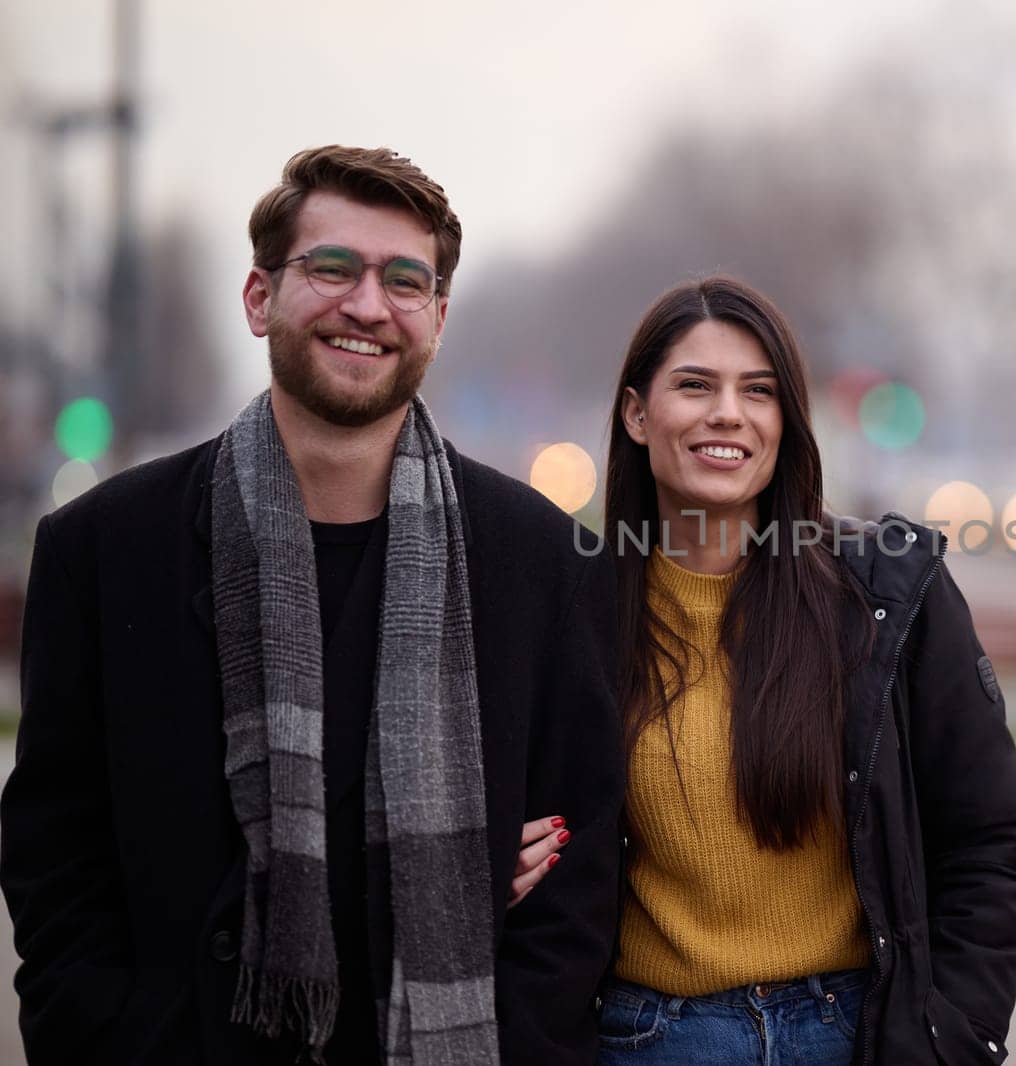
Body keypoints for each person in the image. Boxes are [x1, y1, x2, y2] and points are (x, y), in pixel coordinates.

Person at [1, 145, 622, 1066]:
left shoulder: (539, 556)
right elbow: (57, 859)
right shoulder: (102, 550)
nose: (368, 306)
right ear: (259, 298)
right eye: (332, 268)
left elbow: (584, 875)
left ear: (438, 318)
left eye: (405, 281)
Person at [530, 275, 1016, 1064]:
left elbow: (990, 837)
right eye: (695, 385)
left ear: (786, 421)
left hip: (856, 1036)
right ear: (637, 413)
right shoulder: (577, 609)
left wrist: (954, 1036)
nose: (727, 413)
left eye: (758, 391)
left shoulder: (886, 590)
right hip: (648, 1041)